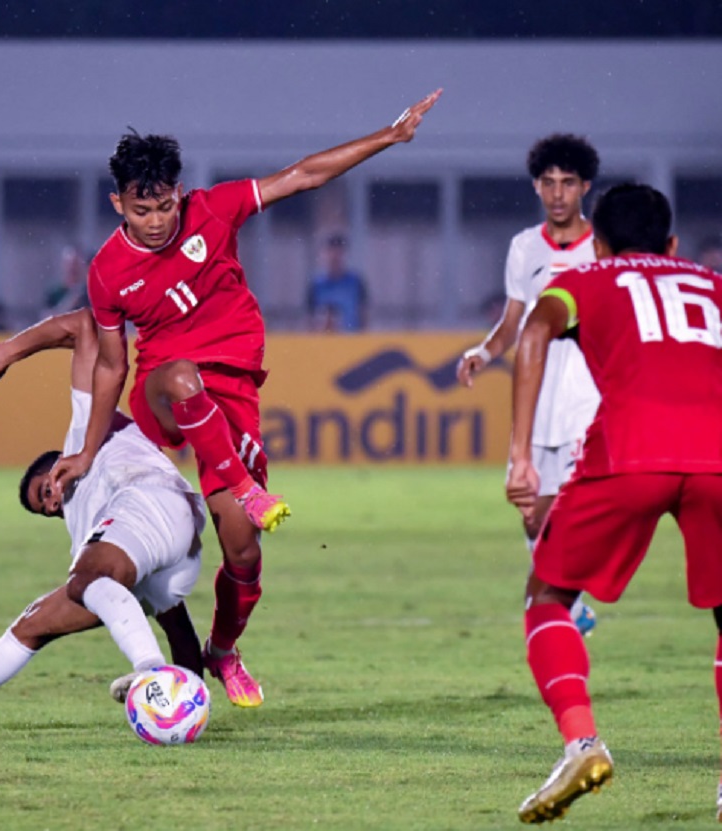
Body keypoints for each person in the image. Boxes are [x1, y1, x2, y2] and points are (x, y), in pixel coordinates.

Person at [50, 89, 442, 708]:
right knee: (180, 375)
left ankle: (223, 651)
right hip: (162, 388)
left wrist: (387, 138)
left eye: (164, 206)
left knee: (242, 547)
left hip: (230, 392)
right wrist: (88, 449)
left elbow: (304, 176)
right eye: (141, 209)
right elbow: (111, 365)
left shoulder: (216, 209)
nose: (156, 221)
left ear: (180, 192)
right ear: (117, 203)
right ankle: (248, 490)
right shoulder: (106, 270)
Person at [0, 307, 207, 734]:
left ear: (54, 464)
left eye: (41, 490)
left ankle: (149, 670)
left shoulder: (85, 434)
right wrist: (190, 690)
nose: (50, 504)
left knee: (85, 580)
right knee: (32, 625)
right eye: (44, 510)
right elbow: (175, 621)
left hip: (151, 498)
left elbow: (88, 324)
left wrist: (8, 351)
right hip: (176, 553)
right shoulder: (91, 533)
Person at [504, 183, 722, 823]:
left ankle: (581, 743)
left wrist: (521, 454)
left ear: (597, 242)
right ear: (673, 244)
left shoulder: (592, 277)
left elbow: (535, 334)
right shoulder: (712, 283)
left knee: (548, 595)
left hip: (632, 450)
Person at [457, 133, 602, 637]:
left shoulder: (603, 246)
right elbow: (515, 321)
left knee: (576, 506)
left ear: (584, 187)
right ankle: (572, 603)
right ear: (537, 187)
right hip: (537, 396)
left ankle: (562, 599)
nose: (558, 193)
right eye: (548, 183)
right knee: (533, 517)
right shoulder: (524, 247)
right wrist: (483, 352)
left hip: (589, 395)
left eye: (568, 183)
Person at [307, 234, 367, 332]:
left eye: (339, 254)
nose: (335, 258)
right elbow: (309, 320)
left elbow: (364, 316)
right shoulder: (316, 286)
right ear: (324, 255)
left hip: (351, 342)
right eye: (330, 253)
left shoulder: (356, 283)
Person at [42, 246, 90, 316]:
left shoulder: (87, 293)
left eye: (76, 264)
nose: (73, 269)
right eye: (70, 265)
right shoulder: (54, 293)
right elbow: (46, 319)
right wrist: (70, 301)